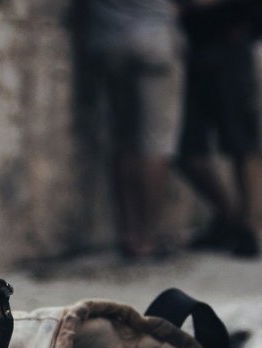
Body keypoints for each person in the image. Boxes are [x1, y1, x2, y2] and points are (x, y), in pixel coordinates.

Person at [83, 0, 185, 260]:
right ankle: (147, 237)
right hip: (154, 42)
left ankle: (128, 235)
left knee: (124, 140)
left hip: (109, 43)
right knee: (156, 143)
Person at [177, 0, 262, 258]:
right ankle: (231, 220)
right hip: (189, 51)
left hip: (230, 46)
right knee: (186, 151)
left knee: (241, 142)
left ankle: (246, 226)